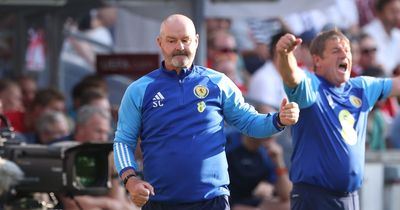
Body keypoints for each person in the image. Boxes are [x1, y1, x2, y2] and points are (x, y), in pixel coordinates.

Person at [113, 14, 300, 210]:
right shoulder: (139, 90)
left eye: (185, 40)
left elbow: (249, 122)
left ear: (196, 41)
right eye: (171, 41)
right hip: (160, 201)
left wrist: (279, 119)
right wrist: (131, 180)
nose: (180, 47)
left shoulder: (218, 83)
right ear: (160, 43)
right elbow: (123, 142)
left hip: (212, 201)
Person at [276, 28, 400, 210]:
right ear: (317, 60)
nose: (344, 54)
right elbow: (292, 76)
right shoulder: (311, 86)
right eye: (336, 51)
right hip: (315, 198)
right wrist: (285, 55)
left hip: (350, 198)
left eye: (347, 50)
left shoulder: (361, 88)